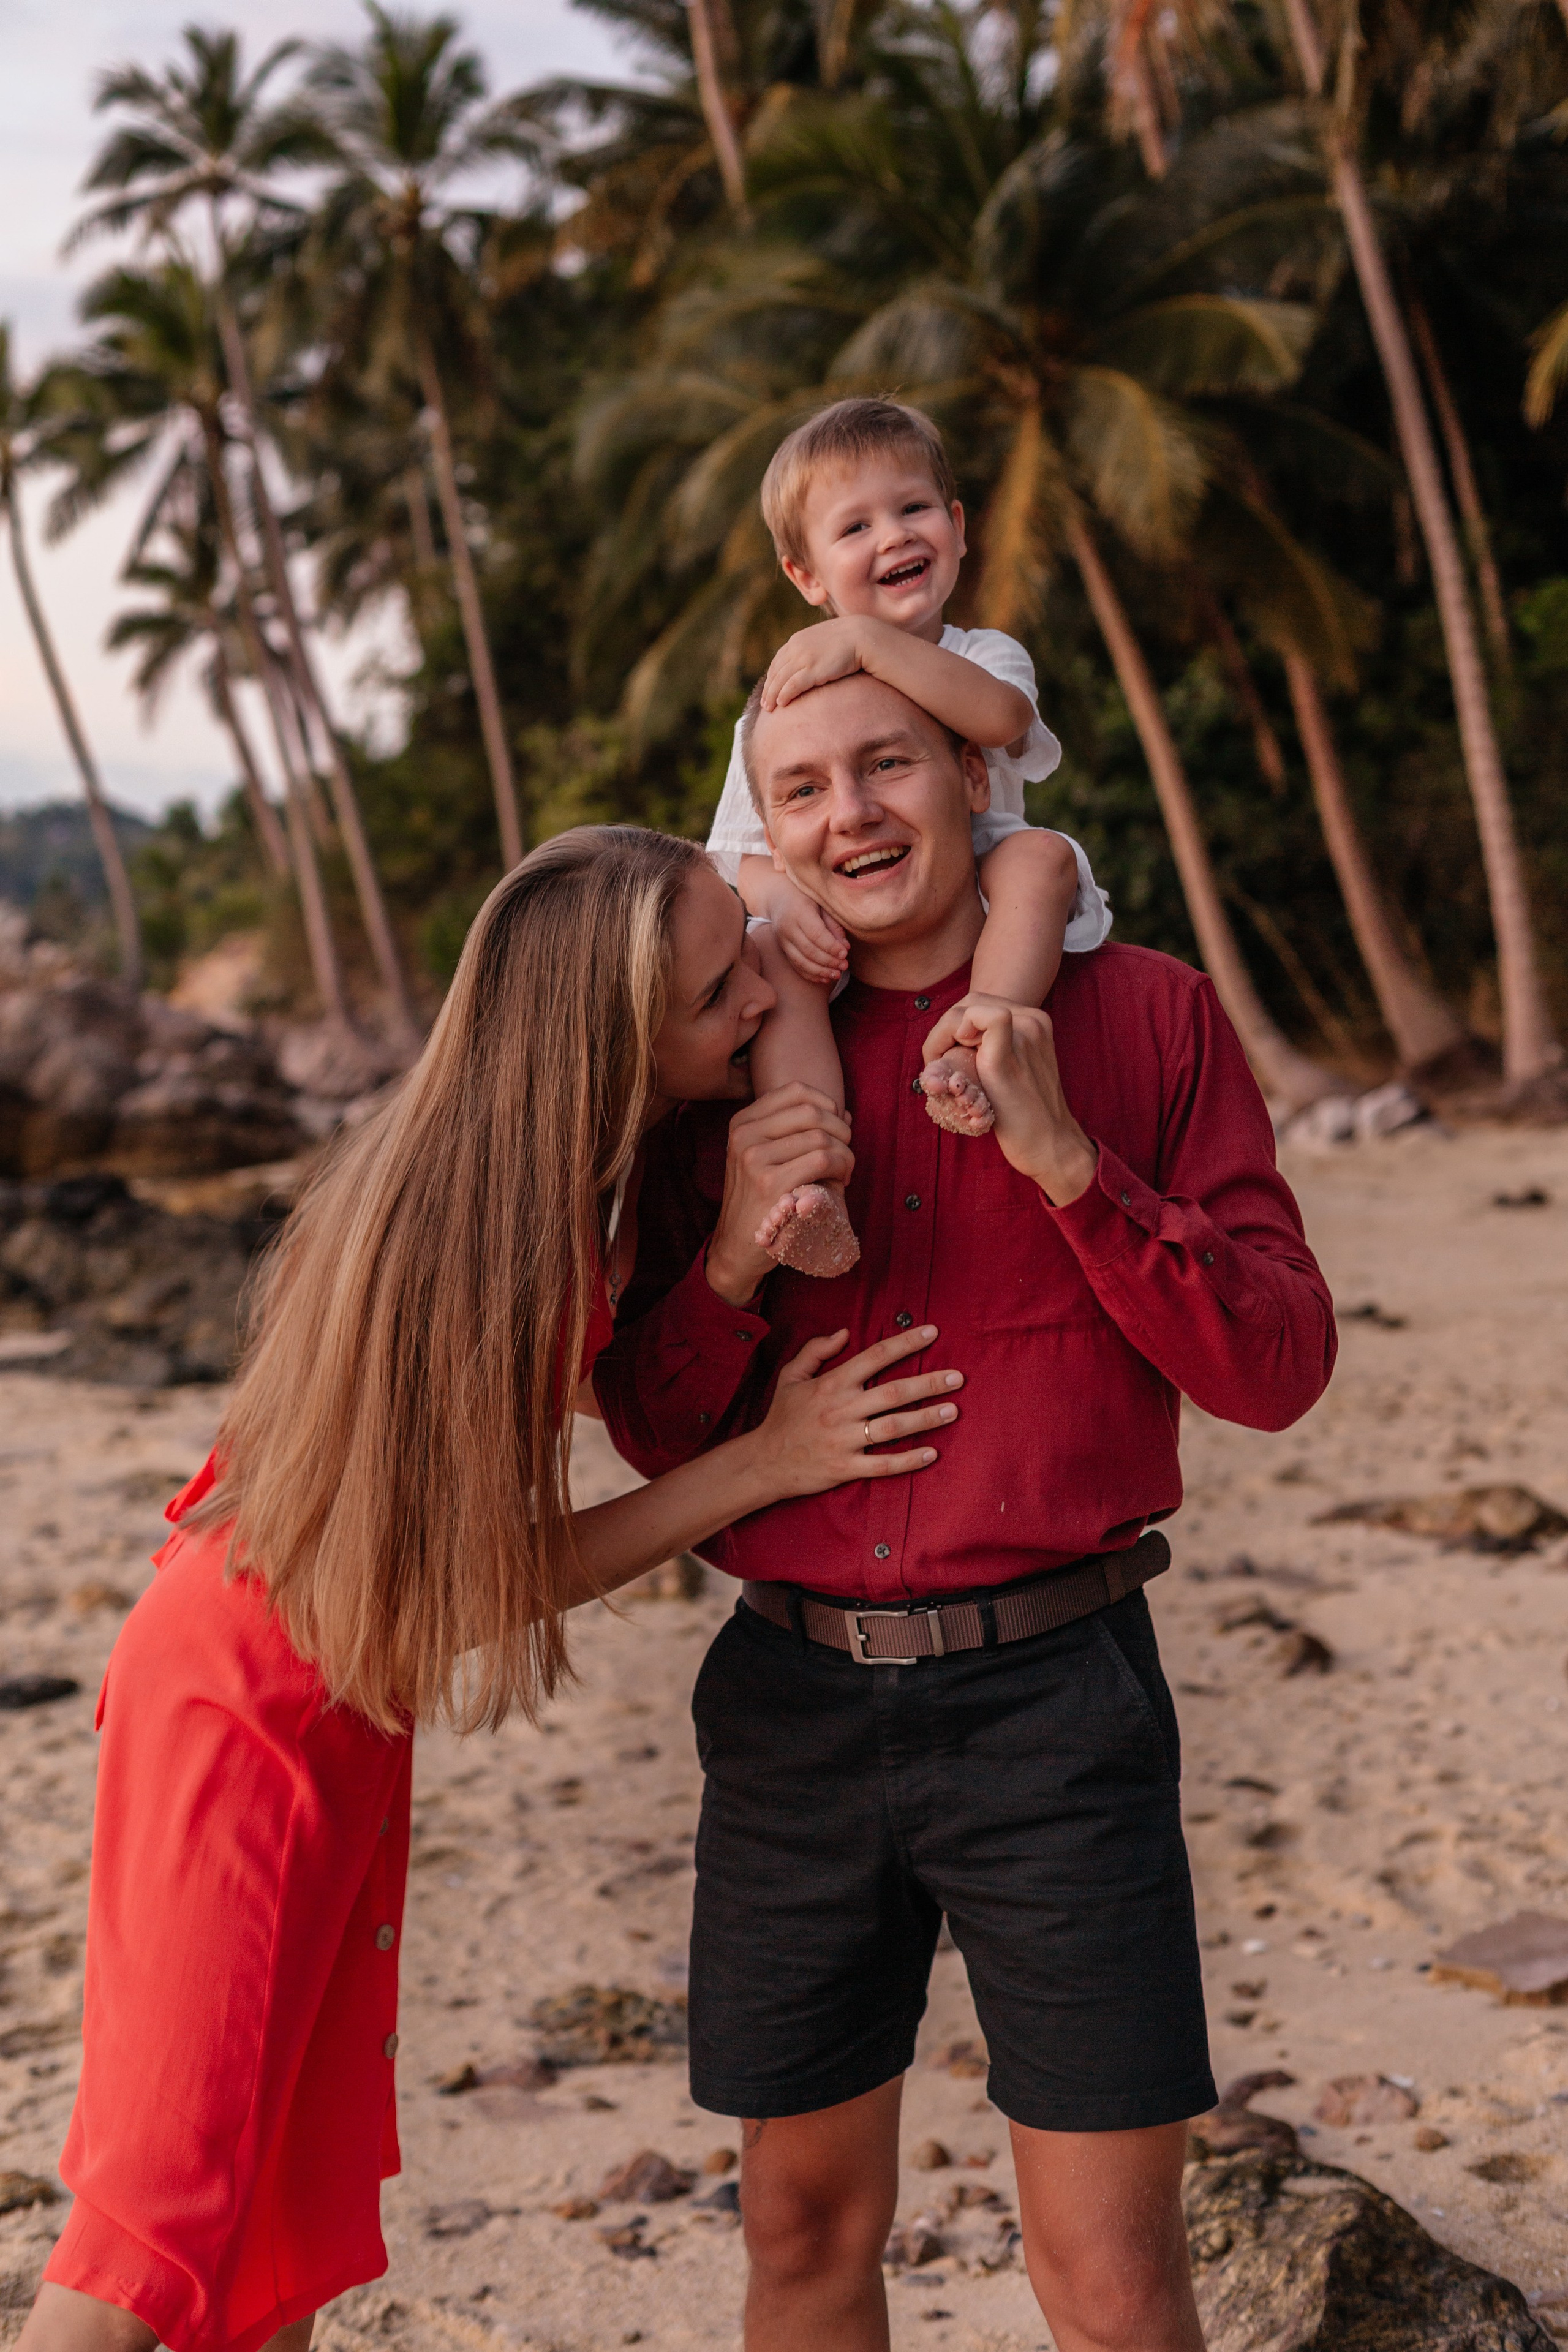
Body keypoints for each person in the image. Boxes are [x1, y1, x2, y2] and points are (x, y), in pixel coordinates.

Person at [17, 827, 968, 2352]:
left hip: (323, 1691)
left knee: (275, 2204)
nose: (753, 1001)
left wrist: (728, 1246)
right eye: (718, 990)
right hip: (248, 1696)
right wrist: (763, 1465)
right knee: (160, 2210)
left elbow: (755, 874)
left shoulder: (543, 1172)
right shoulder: (486, 1238)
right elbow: (458, 1591)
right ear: (614, 1035)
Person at [595, 680, 1338, 2352]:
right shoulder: (720, 1049)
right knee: (795, 2237)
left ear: (971, 775)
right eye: (802, 789)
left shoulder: (1147, 1016)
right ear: (761, 833)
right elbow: (652, 1424)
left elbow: (1280, 1366)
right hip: (787, 1714)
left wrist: (1074, 1162)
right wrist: (727, 1258)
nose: (850, 816)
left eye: (885, 767)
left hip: (1055, 1711)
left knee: (1111, 2275)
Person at [704, 396, 1111, 1276]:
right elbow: (731, 848)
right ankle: (813, 1187)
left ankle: (980, 1036)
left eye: (914, 509)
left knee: (1042, 857)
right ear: (806, 576)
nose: (893, 537)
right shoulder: (785, 697)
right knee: (773, 953)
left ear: (958, 530)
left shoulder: (983, 652)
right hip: (844, 891)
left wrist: (863, 643)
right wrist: (780, 898)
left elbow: (1000, 719)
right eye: (855, 526)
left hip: (981, 875)